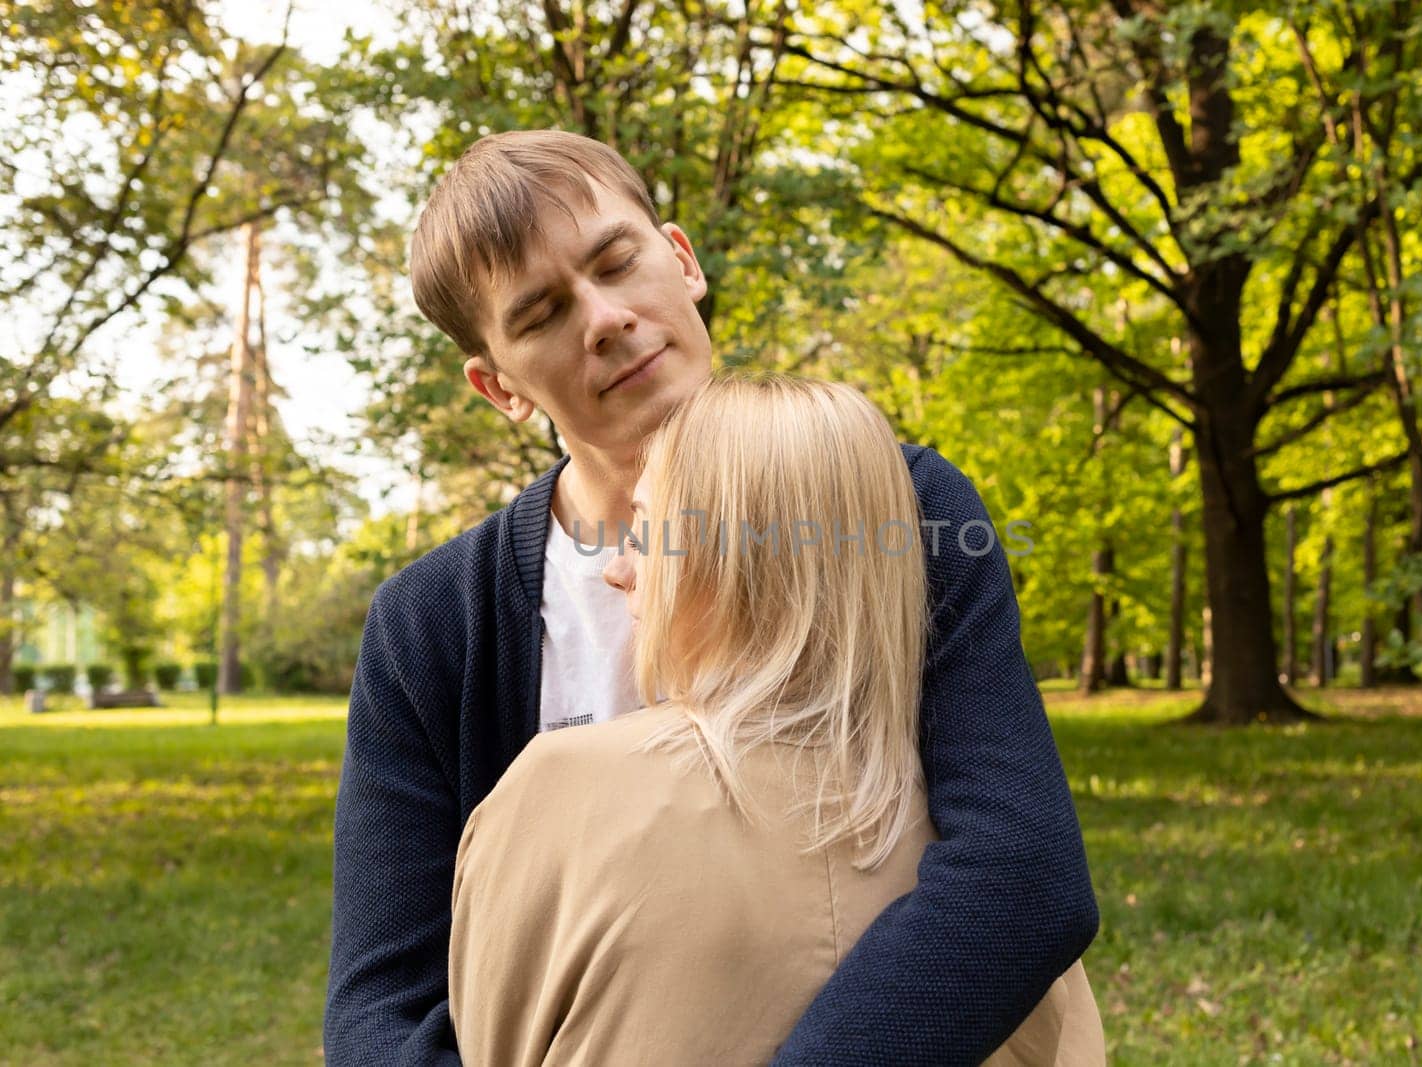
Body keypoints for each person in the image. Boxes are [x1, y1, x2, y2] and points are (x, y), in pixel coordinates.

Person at [323, 129, 1098, 1066]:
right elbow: (378, 1011)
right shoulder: (433, 622)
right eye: (540, 315)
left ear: (682, 260)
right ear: (499, 388)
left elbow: (1022, 875)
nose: (605, 317)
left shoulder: (902, 510)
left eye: (618, 261)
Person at [448, 375, 1105, 1066]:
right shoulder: (1004, 891)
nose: (618, 571)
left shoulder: (561, 792)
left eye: (644, 529)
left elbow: (494, 1042)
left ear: (725, 555)